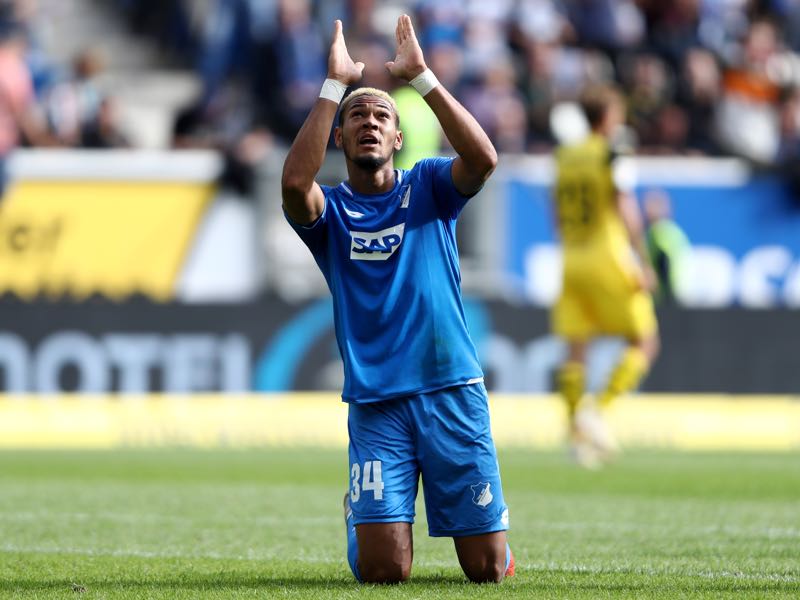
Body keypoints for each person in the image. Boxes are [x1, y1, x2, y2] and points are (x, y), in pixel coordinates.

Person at [281, 16, 513, 584]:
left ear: (397, 137)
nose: (369, 123)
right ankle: (360, 520)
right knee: (386, 573)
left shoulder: (429, 185)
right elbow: (292, 186)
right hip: (378, 402)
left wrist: (423, 78)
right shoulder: (330, 214)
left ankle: (483, 532)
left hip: (451, 389)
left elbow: (483, 160)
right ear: (339, 137)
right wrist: (334, 85)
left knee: (486, 571)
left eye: (382, 116)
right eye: (356, 117)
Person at [551, 84, 660, 466]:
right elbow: (625, 206)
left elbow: (555, 210)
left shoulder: (565, 155)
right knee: (644, 340)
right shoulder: (612, 151)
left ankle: (575, 435)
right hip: (608, 254)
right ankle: (597, 412)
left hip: (571, 257)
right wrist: (643, 260)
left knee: (576, 346)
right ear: (608, 117)